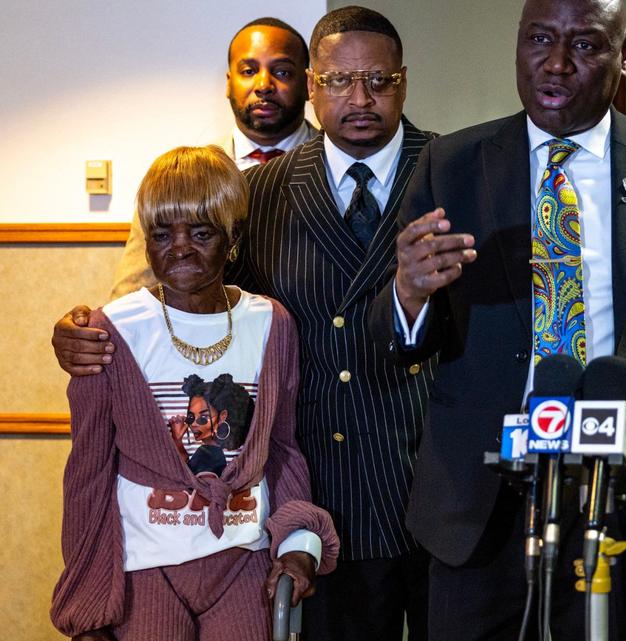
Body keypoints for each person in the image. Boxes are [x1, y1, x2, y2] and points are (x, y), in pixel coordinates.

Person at [367, 0, 626, 639]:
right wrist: (409, 294)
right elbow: (397, 340)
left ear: (624, 56)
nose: (555, 63)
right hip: (482, 497)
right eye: (538, 40)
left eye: (584, 45)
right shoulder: (451, 164)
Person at [52, 7, 434, 640]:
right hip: (262, 499)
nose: (185, 247)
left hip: (405, 484)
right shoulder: (238, 188)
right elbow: (134, 312)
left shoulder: (447, 166)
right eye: (339, 81)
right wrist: (87, 335)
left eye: (378, 80)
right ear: (320, 86)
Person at [50, 146, 338, 641]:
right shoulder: (111, 329)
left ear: (233, 239)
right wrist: (87, 606)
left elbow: (284, 450)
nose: (179, 248)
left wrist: (296, 541)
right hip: (146, 568)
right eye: (162, 234)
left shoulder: (271, 324)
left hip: (241, 562)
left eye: (201, 233)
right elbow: (88, 474)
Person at [111, 17, 319, 299]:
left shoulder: (337, 166)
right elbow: (134, 289)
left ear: (308, 85)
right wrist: (101, 334)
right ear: (229, 83)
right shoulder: (179, 178)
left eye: (281, 72)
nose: (263, 85)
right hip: (210, 339)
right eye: (248, 71)